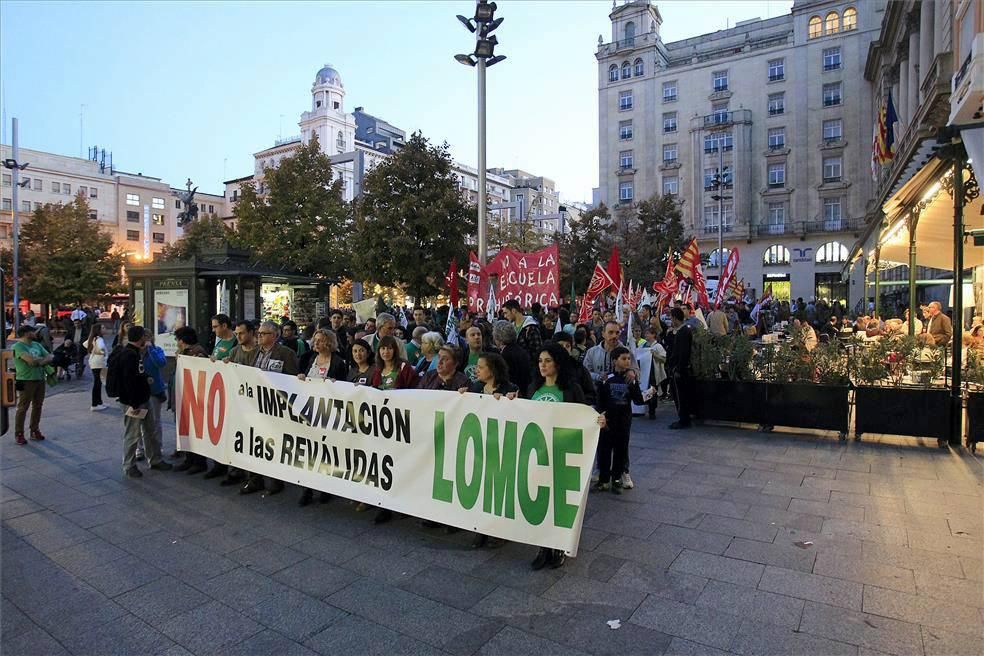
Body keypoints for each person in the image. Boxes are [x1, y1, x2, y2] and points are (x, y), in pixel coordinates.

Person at [527, 342, 604, 570]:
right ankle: (543, 547)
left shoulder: (571, 389)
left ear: (558, 363)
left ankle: (558, 546)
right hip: (538, 452)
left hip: (561, 453)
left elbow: (583, 413)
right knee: (540, 501)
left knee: (558, 503)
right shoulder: (533, 387)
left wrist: (596, 420)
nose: (543, 365)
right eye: (540, 361)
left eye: (548, 360)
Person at [240, 321, 299, 497]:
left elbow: (292, 378)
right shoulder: (254, 353)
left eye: (264, 334)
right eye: (259, 333)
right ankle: (255, 478)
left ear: (275, 335)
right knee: (254, 442)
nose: (259, 336)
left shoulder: (286, 353)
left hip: (275, 406)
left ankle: (275, 480)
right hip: (255, 404)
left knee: (273, 443)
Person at [117, 325, 172, 478]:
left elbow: (157, 364)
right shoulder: (129, 354)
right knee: (133, 433)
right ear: (141, 338)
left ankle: (154, 459)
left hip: (144, 398)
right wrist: (133, 403)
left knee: (151, 429)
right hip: (134, 401)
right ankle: (129, 465)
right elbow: (128, 381)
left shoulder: (140, 352)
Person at [594, 345, 645, 495]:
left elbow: (638, 400)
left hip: (623, 422)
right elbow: (600, 399)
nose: (627, 361)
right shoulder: (607, 379)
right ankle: (603, 479)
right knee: (604, 451)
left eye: (629, 358)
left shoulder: (630, 379)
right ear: (615, 360)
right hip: (608, 422)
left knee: (620, 451)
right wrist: (601, 414)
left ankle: (616, 479)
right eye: (623, 359)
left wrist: (636, 385)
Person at [172, 327, 210, 475]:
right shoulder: (185, 352)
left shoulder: (197, 352)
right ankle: (189, 459)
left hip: (195, 397)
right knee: (187, 429)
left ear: (182, 340)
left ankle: (199, 461)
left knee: (196, 430)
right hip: (186, 395)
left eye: (177, 339)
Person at [12, 325, 53, 445]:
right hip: (25, 380)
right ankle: (19, 433)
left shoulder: (37, 345)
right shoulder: (18, 346)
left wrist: (38, 360)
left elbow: (50, 356)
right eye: (32, 331)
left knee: (38, 405)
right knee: (23, 407)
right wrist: (40, 360)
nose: (35, 333)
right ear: (25, 333)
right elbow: (31, 361)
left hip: (39, 378)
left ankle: (34, 430)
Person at [141, 333, 168, 464]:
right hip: (140, 392)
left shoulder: (156, 351)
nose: (146, 340)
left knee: (155, 421)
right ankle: (140, 449)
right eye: (143, 338)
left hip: (154, 391)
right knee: (140, 422)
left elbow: (161, 363)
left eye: (148, 337)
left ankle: (158, 447)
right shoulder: (136, 353)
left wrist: (150, 349)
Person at [666, 307, 695, 430]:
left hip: (680, 370)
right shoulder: (681, 331)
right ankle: (683, 417)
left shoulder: (683, 332)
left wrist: (678, 369)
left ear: (674, 318)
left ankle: (683, 419)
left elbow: (683, 352)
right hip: (678, 368)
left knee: (680, 395)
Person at [502, 300, 543, 374]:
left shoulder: (531, 328)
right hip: (515, 370)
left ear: (513, 311)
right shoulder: (511, 328)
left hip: (528, 371)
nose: (505, 316)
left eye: (506, 313)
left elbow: (537, 352)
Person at [492, 319, 531, 397]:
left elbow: (505, 379)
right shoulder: (521, 350)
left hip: (512, 396)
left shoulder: (505, 355)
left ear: (498, 337)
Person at [85, 325, 109, 411]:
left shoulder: (94, 338)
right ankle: (95, 403)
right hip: (99, 362)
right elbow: (101, 347)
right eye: (102, 328)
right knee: (97, 382)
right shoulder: (99, 339)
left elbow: (85, 344)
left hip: (94, 361)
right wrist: (101, 352)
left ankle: (99, 402)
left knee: (98, 382)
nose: (104, 329)